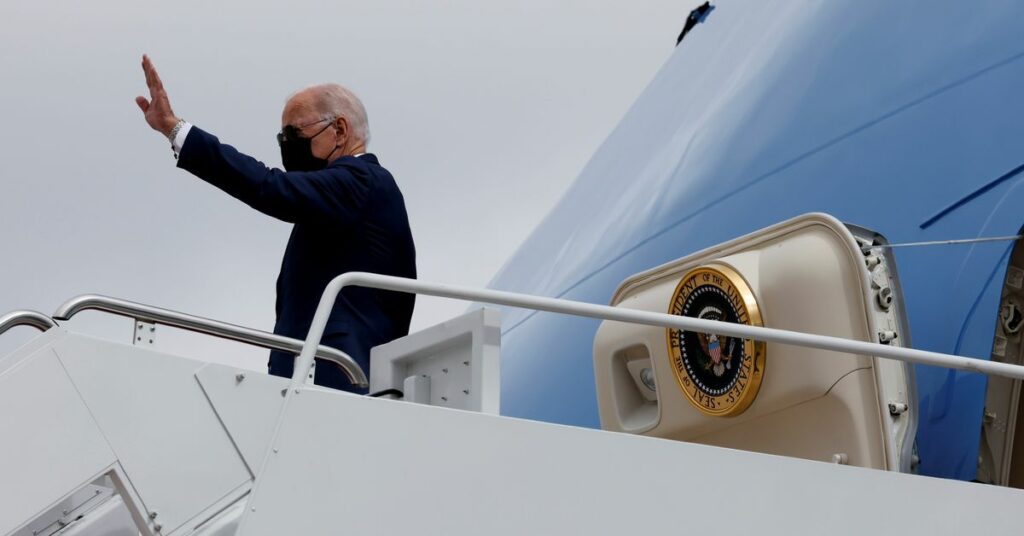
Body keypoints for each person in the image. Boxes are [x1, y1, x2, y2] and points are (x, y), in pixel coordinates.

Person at [135, 54, 416, 393]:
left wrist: (176, 129)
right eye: (282, 139)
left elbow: (270, 187)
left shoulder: (361, 181)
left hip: (336, 379)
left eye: (295, 134)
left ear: (340, 130)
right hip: (305, 377)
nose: (288, 146)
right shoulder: (338, 200)